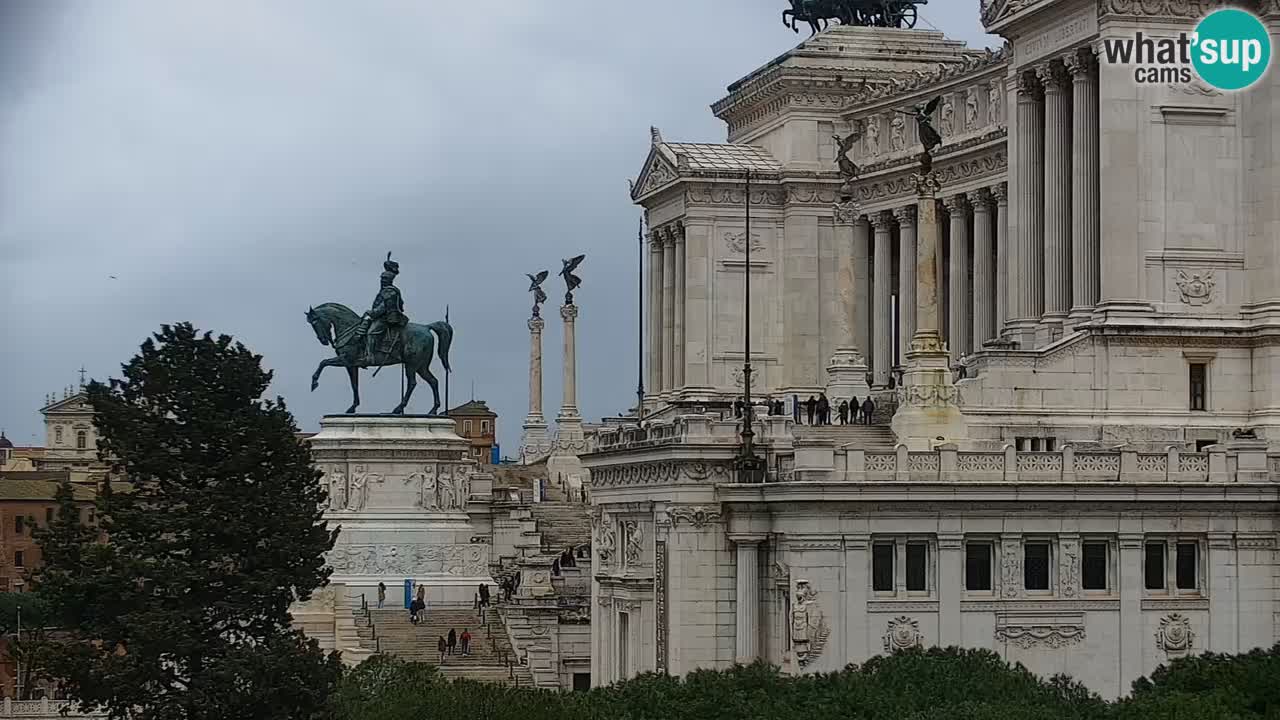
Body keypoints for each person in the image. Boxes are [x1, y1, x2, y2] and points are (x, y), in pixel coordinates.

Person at [360, 252, 409, 366]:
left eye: (384, 279)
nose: (382, 281)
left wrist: (371, 312)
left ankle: (370, 356)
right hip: (381, 316)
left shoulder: (389, 291)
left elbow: (384, 308)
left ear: (388, 280)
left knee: (371, 333)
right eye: (382, 279)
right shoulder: (386, 290)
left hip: (387, 318)